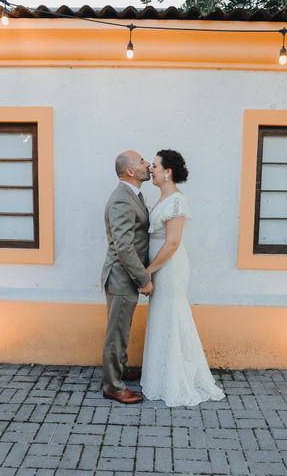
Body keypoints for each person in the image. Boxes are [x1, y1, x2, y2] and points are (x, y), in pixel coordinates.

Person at [140, 149, 225, 407]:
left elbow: (173, 242)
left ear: (168, 172)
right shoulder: (162, 199)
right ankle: (161, 375)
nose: (150, 169)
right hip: (161, 266)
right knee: (161, 316)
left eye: (154, 166)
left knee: (172, 316)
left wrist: (149, 270)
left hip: (170, 268)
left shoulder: (177, 201)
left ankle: (178, 378)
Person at [100, 150, 153, 404]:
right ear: (130, 171)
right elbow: (123, 246)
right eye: (142, 162)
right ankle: (113, 386)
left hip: (124, 277)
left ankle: (119, 370)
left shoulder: (132, 195)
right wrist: (144, 278)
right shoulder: (122, 199)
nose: (148, 165)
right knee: (116, 333)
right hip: (121, 278)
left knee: (122, 329)